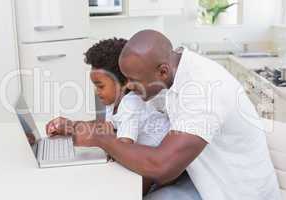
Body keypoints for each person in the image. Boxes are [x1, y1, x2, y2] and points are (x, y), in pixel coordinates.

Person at [71, 30, 282, 200]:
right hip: (202, 176)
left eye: (133, 80)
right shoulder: (170, 71)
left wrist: (102, 140)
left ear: (162, 72)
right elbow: (125, 119)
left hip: (234, 191)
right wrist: (76, 127)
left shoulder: (204, 90)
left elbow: (162, 166)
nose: (128, 87)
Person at [46, 38, 170, 194]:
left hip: (158, 161)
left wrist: (102, 138)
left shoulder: (130, 104)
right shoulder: (114, 101)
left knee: (123, 186)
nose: (97, 92)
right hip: (142, 150)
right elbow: (107, 127)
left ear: (124, 82)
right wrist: (71, 126)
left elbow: (124, 147)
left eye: (100, 86)